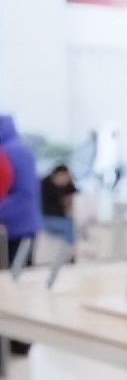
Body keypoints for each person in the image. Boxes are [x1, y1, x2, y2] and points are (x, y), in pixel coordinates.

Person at [0, 114, 41, 269]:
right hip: (14, 227)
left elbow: (25, 194)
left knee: (15, 277)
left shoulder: (15, 151)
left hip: (18, 229)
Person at [40, 164, 79, 246]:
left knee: (74, 225)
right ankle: (72, 249)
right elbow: (63, 201)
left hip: (58, 218)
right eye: (60, 176)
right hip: (46, 218)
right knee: (68, 226)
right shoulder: (46, 185)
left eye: (65, 177)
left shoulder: (67, 187)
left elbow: (76, 194)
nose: (62, 179)